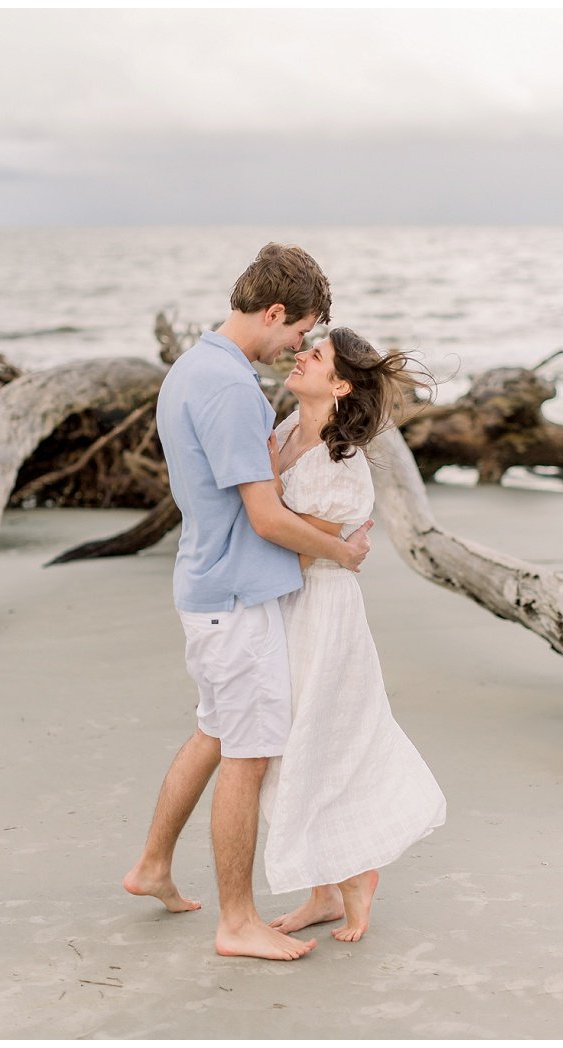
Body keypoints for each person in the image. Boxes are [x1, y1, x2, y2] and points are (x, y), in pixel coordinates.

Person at [123, 243, 372, 961]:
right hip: (234, 597)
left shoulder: (195, 367)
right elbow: (264, 517)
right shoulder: (230, 388)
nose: (299, 346)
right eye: (300, 332)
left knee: (214, 733)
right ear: (273, 312)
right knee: (247, 755)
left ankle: (153, 866)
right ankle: (237, 920)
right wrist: (343, 550)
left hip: (207, 582)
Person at [257, 326, 447, 942]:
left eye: (315, 355)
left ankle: (358, 877)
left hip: (322, 613)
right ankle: (323, 890)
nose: (299, 356)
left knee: (328, 739)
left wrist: (322, 539)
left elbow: (299, 549)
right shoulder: (288, 430)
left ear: (339, 384)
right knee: (293, 746)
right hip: (287, 606)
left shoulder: (340, 463)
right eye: (303, 348)